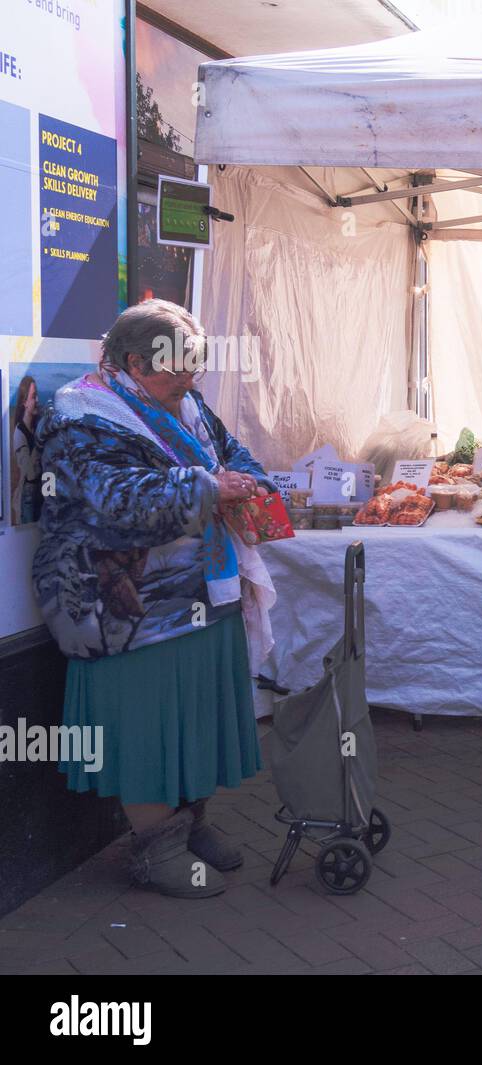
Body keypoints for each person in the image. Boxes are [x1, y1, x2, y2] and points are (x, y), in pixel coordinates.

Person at [33, 299, 275, 898]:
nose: (192, 380)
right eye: (179, 368)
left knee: (197, 714)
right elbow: (115, 500)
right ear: (135, 363)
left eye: (196, 366)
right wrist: (209, 487)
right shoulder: (79, 415)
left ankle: (190, 821)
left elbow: (230, 453)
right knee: (146, 726)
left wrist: (245, 480)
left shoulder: (184, 402)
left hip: (202, 593)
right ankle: (154, 846)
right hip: (129, 610)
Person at [10, 375, 41, 524]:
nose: (38, 401)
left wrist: (51, 494)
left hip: (40, 495)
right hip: (26, 501)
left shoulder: (36, 428)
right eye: (34, 397)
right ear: (24, 402)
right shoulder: (19, 434)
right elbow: (30, 473)